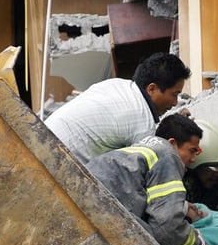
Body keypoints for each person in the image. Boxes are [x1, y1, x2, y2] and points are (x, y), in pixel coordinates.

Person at [86, 114, 209, 245]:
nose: (193, 159)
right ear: (172, 142)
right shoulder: (168, 155)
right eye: (192, 151)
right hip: (105, 214)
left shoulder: (141, 149)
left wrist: (182, 206)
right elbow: (166, 228)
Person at [45, 53, 191, 163]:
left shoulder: (117, 85)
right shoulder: (141, 123)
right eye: (174, 94)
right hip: (57, 162)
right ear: (152, 89)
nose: (174, 102)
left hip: (42, 137)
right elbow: (144, 173)